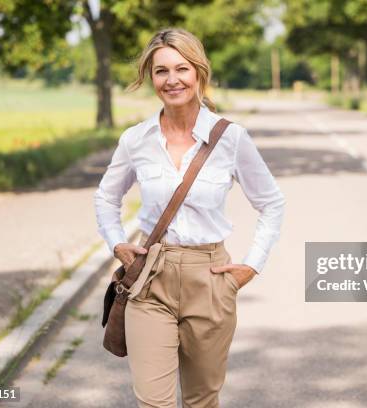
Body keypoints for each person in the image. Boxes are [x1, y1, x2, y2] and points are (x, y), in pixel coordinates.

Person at [93, 27, 285, 408]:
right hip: (150, 281)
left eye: (182, 69)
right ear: (150, 77)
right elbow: (106, 196)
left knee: (201, 400)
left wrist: (251, 266)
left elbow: (272, 203)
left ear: (199, 72)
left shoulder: (230, 138)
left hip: (210, 279)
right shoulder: (137, 139)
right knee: (154, 403)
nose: (172, 80)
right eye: (161, 71)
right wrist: (116, 241)